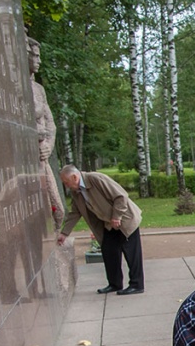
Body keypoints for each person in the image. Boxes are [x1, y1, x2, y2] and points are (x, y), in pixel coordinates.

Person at [57, 165, 145, 295]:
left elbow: (121, 196)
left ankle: (137, 285)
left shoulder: (96, 179)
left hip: (125, 220)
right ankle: (114, 284)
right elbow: (75, 213)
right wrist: (64, 233)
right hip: (108, 223)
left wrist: (117, 216)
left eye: (66, 182)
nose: (66, 186)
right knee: (109, 251)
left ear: (75, 177)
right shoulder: (77, 192)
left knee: (132, 253)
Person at [27, 36, 65, 231]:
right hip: (26, 159)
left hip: (42, 154)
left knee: (58, 210)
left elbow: (50, 122)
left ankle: (55, 240)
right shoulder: (16, 87)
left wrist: (48, 145)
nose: (39, 61)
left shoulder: (38, 89)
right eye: (35, 56)